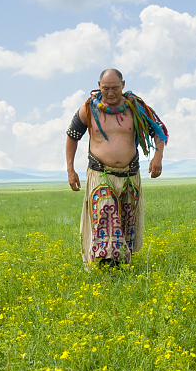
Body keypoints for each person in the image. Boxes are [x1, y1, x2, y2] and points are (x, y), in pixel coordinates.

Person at [65, 68, 168, 268]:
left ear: (123, 85)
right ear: (98, 86)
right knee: (104, 214)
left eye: (114, 88)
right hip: (100, 174)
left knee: (125, 221)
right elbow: (72, 137)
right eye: (105, 88)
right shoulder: (88, 110)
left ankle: (121, 265)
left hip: (130, 175)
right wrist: (70, 170)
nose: (110, 93)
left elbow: (159, 131)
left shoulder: (136, 109)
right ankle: (106, 267)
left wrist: (158, 157)